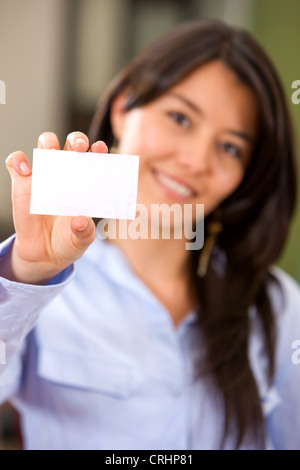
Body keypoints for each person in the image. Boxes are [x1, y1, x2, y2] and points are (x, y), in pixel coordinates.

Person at [0, 19, 299, 450]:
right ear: (123, 108)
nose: (197, 159)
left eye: (230, 146)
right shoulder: (42, 287)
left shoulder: (278, 306)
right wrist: (30, 271)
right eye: (180, 118)